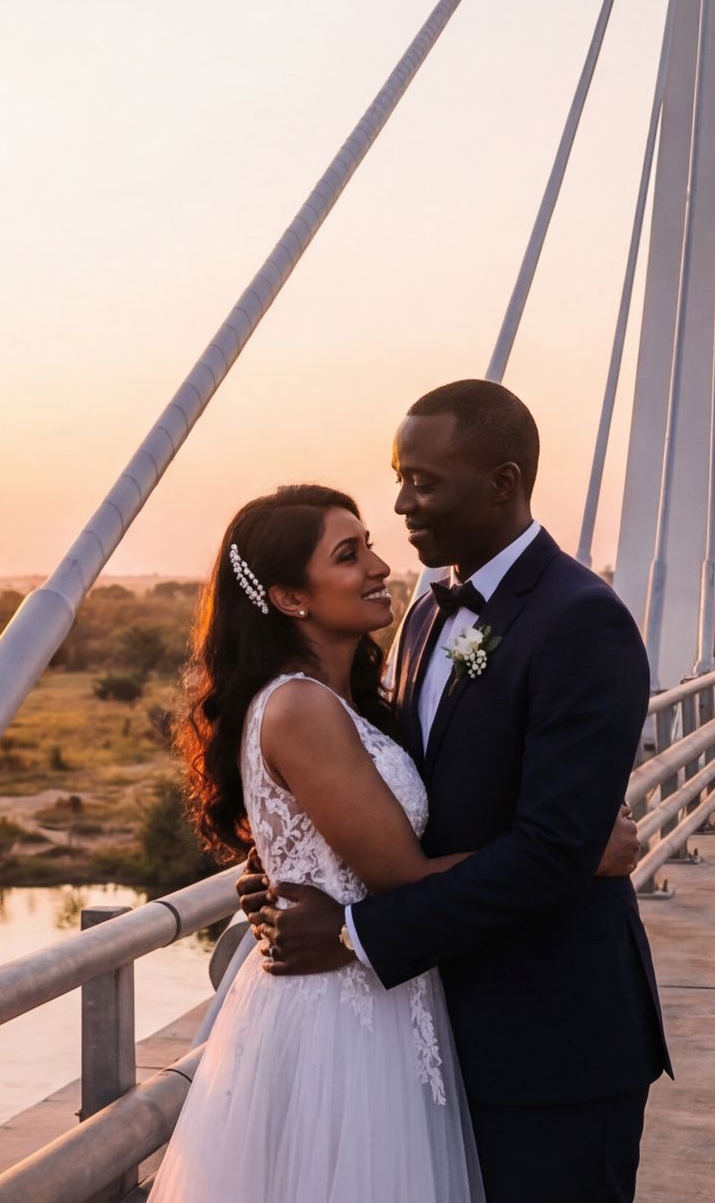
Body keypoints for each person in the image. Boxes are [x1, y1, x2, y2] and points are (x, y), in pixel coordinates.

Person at [250, 380, 670, 1203]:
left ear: (504, 482)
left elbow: (554, 847)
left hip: (553, 1038)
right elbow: (389, 790)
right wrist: (282, 868)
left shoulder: (581, 619)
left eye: (425, 481)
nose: (402, 502)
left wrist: (354, 933)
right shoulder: (422, 613)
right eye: (400, 476)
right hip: (430, 1032)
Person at [147, 483, 482, 1203]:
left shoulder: (342, 699)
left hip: (379, 986)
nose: (377, 565)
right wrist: (569, 852)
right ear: (291, 598)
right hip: (341, 1014)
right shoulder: (300, 706)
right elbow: (402, 875)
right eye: (348, 553)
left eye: (368, 545)